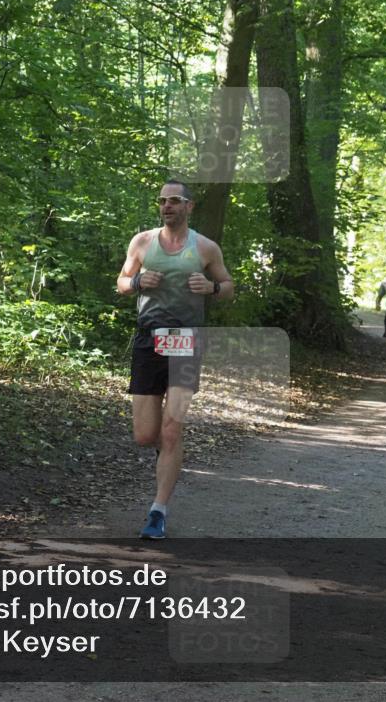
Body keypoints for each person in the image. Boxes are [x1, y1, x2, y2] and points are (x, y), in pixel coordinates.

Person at [116, 180, 234, 539]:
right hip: (148, 340)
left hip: (186, 340)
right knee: (145, 435)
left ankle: (158, 511)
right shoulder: (142, 242)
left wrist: (212, 288)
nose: (166, 206)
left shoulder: (206, 247)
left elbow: (228, 286)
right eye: (162, 201)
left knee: (171, 430)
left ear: (189, 207)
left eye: (174, 200)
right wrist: (138, 282)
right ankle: (169, 454)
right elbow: (122, 281)